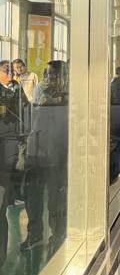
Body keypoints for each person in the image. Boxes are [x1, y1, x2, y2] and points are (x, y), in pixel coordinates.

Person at [23, 60, 69, 252]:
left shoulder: (68, 97)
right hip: (36, 149)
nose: (51, 78)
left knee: (55, 196)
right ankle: (34, 234)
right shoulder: (40, 91)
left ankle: (57, 234)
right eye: (49, 74)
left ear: (64, 76)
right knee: (32, 195)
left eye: (56, 75)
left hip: (56, 153)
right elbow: (31, 118)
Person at [0, 60, 30, 264]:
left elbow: (25, 108)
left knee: (6, 175)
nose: (9, 73)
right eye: (5, 70)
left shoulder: (16, 88)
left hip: (10, 137)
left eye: (11, 70)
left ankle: (6, 198)